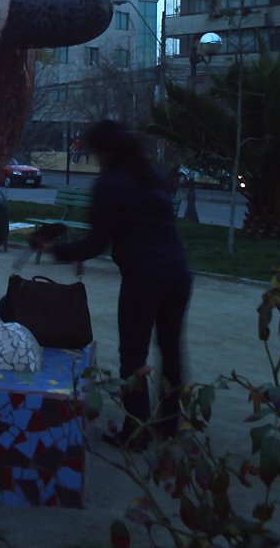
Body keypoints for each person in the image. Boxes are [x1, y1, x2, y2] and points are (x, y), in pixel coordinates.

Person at [46, 119, 192, 448]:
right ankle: (169, 425)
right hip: (178, 272)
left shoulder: (110, 183)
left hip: (144, 278)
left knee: (133, 356)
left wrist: (56, 251)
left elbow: (96, 244)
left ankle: (136, 434)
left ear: (103, 150)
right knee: (171, 350)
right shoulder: (151, 173)